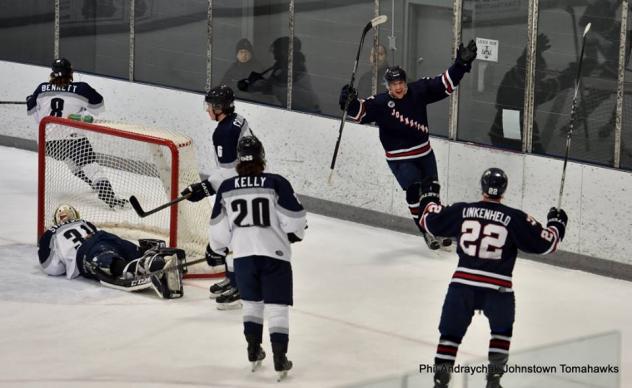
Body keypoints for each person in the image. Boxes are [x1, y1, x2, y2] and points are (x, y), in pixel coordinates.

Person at [417, 168, 568, 388]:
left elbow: (429, 221)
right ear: (504, 190)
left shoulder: (463, 210)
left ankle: (441, 381)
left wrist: (430, 197)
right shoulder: (514, 218)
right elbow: (548, 244)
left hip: (462, 286)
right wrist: (557, 223)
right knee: (502, 332)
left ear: (482, 186)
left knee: (450, 334)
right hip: (499, 288)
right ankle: (493, 381)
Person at [338, 40, 478, 250]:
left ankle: (437, 226)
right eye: (394, 84)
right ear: (388, 86)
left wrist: (460, 65)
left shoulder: (418, 91)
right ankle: (425, 230)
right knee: (414, 190)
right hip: (400, 159)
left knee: (432, 191)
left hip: (424, 153)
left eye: (401, 82)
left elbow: (444, 84)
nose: (399, 87)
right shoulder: (381, 103)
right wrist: (348, 102)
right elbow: (360, 113)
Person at [207, 136, 307, 381]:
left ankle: (253, 351)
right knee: (277, 307)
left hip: (243, 257)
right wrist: (295, 233)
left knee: (252, 305)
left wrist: (217, 248)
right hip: (275, 255)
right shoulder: (276, 182)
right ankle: (280, 357)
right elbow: (294, 220)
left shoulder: (227, 188)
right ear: (262, 157)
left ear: (239, 160)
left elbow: (219, 229)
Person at [180, 84, 254, 310]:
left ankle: (241, 286)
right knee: (232, 238)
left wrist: (205, 187)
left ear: (220, 107)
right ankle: (232, 280)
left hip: (240, 190)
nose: (207, 110)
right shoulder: (238, 119)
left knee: (235, 239)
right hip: (247, 183)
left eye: (210, 106)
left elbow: (230, 172)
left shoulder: (223, 132)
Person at [26, 57, 127, 209]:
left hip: (47, 143)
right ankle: (111, 199)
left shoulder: (41, 89)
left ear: (53, 73)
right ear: (71, 72)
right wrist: (82, 110)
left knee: (73, 165)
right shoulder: (82, 88)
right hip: (73, 140)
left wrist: (30, 100)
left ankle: (94, 184)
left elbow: (34, 114)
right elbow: (98, 109)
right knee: (92, 168)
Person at [38, 204, 186, 299]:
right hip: (104, 237)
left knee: (109, 265)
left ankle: (152, 265)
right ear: (75, 214)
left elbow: (52, 268)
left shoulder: (51, 233)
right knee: (130, 252)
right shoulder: (84, 222)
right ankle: (158, 255)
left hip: (86, 251)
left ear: (56, 220)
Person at [489, 34, 577, 153]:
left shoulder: (514, 75)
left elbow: (527, 70)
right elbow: (546, 89)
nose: (543, 74)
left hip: (504, 130)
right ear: (532, 70)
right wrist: (569, 77)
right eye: (541, 71)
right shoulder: (523, 86)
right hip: (508, 132)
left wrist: (531, 52)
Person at [237, 36, 321, 113]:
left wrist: (253, 86)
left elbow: (273, 86)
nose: (274, 56)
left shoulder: (294, 66)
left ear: (284, 52)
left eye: (276, 52)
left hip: (307, 110)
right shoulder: (282, 65)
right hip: (298, 109)